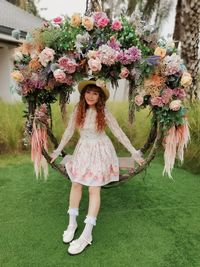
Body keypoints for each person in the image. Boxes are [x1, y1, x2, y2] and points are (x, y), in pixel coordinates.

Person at [50, 79, 144, 255]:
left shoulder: (104, 111)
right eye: (88, 92)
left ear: (100, 96)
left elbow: (118, 132)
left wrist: (134, 153)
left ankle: (87, 234)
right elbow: (69, 131)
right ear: (83, 93)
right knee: (76, 183)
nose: (91, 96)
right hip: (83, 150)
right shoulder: (78, 110)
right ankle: (72, 223)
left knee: (94, 189)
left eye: (95, 93)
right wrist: (57, 151)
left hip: (101, 150)